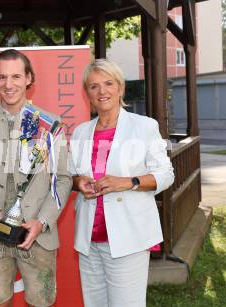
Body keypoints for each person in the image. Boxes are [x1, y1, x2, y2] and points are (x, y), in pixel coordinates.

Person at [0, 49, 72, 307]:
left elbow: (63, 179)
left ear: (29, 78)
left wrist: (41, 222)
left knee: (42, 301)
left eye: (16, 76)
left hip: (37, 236)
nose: (9, 85)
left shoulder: (49, 124)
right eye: (2, 77)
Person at [68, 59, 174, 307]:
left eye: (108, 83)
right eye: (94, 86)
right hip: (89, 239)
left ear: (121, 88)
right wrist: (78, 182)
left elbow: (166, 174)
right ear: (87, 94)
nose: (102, 91)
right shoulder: (81, 132)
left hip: (129, 237)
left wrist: (128, 182)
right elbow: (70, 175)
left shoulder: (145, 127)